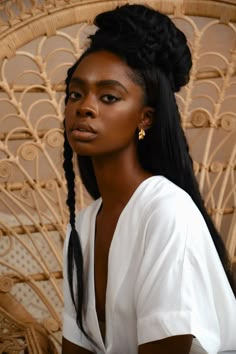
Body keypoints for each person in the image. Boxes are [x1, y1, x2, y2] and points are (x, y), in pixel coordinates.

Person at [62, 4, 236, 354]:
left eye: (108, 97)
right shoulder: (81, 228)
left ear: (145, 119)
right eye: (75, 94)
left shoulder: (165, 212)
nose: (85, 107)